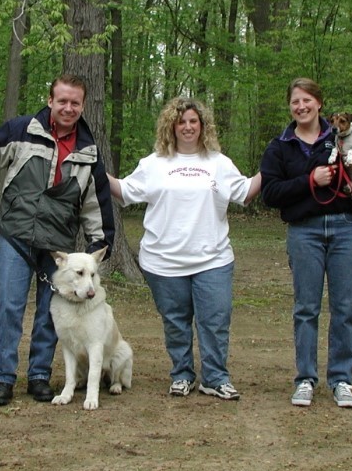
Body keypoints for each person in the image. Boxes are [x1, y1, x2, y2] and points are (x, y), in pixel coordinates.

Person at [0, 74, 115, 407]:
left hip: (57, 246)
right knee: (9, 308)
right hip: (15, 237)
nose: (68, 108)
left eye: (75, 102)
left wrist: (100, 242)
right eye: (62, 101)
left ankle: (40, 376)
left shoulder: (88, 150)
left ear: (83, 105)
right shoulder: (20, 130)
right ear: (50, 101)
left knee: (49, 312)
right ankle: (3, 379)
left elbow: (95, 202)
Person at [108, 97, 260, 401]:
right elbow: (124, 191)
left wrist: (274, 168)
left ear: (202, 125)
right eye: (181, 122)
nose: (188, 127)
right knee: (175, 322)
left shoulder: (219, 163)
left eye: (193, 121)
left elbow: (245, 192)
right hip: (163, 262)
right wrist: (96, 171)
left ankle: (215, 378)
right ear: (171, 126)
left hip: (213, 258)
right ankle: (181, 375)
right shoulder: (153, 164)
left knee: (215, 320)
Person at [260, 78, 352, 408]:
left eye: (307, 100)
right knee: (306, 308)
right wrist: (309, 180)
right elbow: (271, 194)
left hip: (347, 228)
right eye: (295, 102)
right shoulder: (280, 146)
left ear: (319, 103)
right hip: (304, 231)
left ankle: (342, 379)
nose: (301, 107)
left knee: (344, 308)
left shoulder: (344, 136)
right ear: (290, 107)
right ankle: (305, 378)